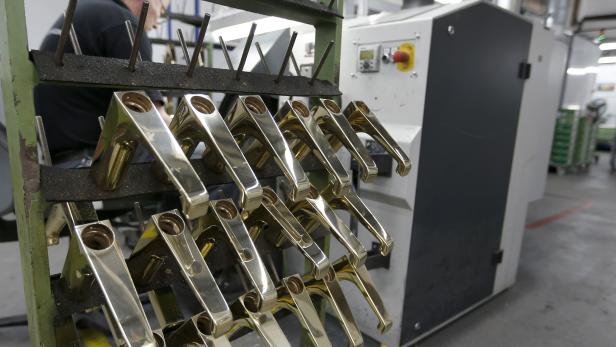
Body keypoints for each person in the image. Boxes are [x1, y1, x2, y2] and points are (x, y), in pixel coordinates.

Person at [34, 0, 171, 163]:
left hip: (57, 161)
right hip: (93, 161)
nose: (156, 24)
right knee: (202, 160)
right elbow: (153, 121)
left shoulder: (88, 11)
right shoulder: (124, 23)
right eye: (162, 10)